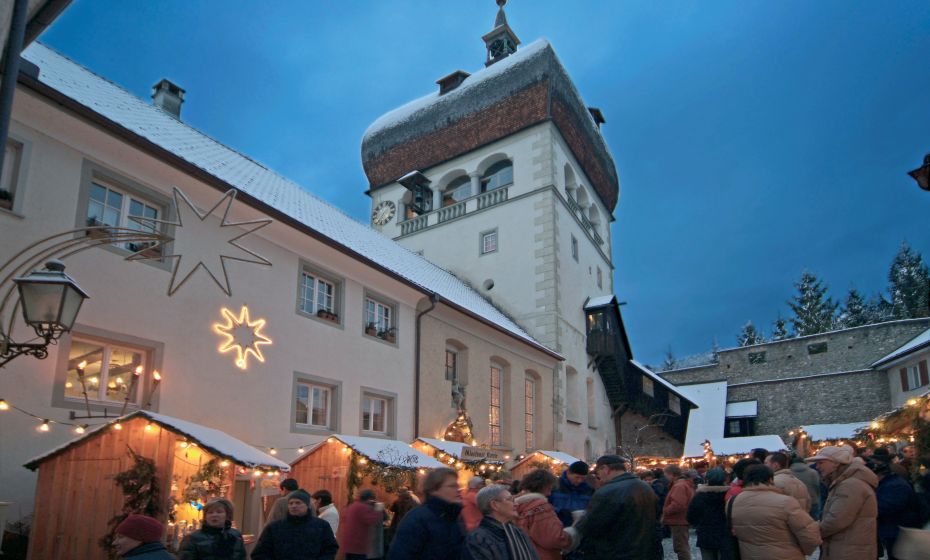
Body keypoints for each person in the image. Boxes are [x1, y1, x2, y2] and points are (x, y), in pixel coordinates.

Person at [575, 455, 658, 560]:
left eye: (598, 472)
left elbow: (591, 525)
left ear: (605, 469)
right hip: (644, 551)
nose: (598, 476)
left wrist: (578, 524)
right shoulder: (646, 487)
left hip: (615, 552)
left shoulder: (607, 491)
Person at [728, 465, 820, 559]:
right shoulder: (786, 502)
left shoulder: (734, 501)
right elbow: (810, 535)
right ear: (771, 480)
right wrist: (804, 551)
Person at [805, 445, 878, 560]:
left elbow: (837, 520)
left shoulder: (850, 485)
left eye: (821, 462)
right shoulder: (844, 482)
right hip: (847, 547)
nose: (817, 467)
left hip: (848, 550)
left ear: (836, 463)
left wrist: (810, 533)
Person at [387, 467, 465, 560]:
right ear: (434, 490)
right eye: (452, 486)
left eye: (457, 485)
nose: (458, 489)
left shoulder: (454, 517)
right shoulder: (418, 519)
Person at [252, 489, 339, 560]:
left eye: (298, 503)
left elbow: (330, 549)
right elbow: (260, 553)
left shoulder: (321, 526)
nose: (293, 506)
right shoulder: (274, 527)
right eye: (291, 503)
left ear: (307, 505)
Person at [464, 484, 539, 560]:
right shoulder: (477, 539)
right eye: (510, 499)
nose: (516, 504)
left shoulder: (517, 531)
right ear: (495, 505)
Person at [514, 469, 573, 560]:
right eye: (549, 488)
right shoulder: (541, 507)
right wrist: (572, 534)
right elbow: (554, 538)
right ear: (543, 486)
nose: (549, 493)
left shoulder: (515, 505)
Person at [872, 460, 921, 560]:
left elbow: (888, 507)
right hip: (894, 528)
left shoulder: (895, 485)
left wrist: (869, 507)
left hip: (897, 529)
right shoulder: (890, 484)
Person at [686, 468, 733, 560]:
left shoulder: (700, 496)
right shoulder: (729, 495)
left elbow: (691, 516)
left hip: (705, 533)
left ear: (707, 479)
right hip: (725, 534)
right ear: (725, 479)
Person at [178, 497, 247, 560]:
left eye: (219, 512)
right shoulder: (192, 538)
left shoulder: (235, 535)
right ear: (205, 516)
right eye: (210, 512)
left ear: (227, 515)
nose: (214, 515)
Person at [661, 465, 695, 560]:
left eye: (666, 474)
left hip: (679, 520)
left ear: (672, 475)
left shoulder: (679, 486)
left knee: (681, 547)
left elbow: (678, 504)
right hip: (681, 519)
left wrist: (665, 510)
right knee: (681, 546)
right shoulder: (683, 484)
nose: (665, 477)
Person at [342, 489, 386, 560]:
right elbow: (372, 520)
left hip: (349, 544)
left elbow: (344, 518)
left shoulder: (352, 505)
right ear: (369, 499)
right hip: (358, 544)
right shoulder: (363, 507)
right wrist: (379, 509)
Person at [549, 461, 594, 528]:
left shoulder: (589, 490)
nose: (580, 481)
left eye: (583, 478)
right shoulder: (555, 487)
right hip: (557, 527)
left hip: (581, 529)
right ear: (568, 473)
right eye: (577, 477)